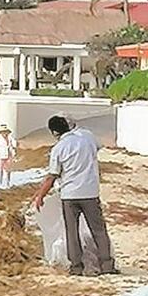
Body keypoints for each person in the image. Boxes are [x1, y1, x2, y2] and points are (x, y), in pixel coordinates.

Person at [32, 116, 117, 276]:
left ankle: (76, 267)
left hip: (69, 195)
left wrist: (40, 196)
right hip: (90, 192)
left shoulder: (59, 148)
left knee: (72, 231)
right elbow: (98, 147)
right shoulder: (88, 137)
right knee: (98, 230)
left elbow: (52, 176)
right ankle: (107, 265)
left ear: (54, 132)